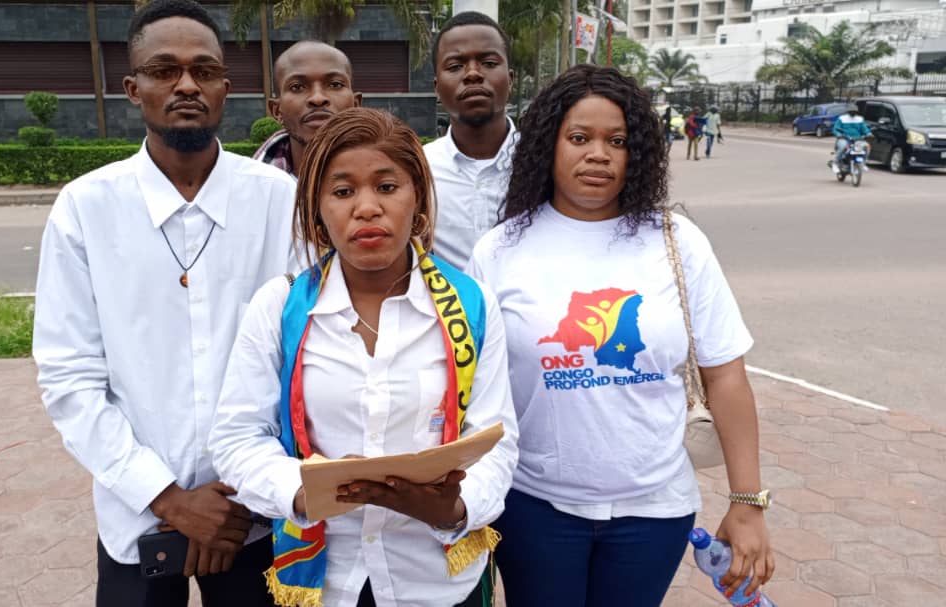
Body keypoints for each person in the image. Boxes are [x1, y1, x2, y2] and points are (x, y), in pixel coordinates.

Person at [467, 65, 774, 607]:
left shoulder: (677, 241)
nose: (599, 154)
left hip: (654, 512)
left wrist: (747, 503)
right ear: (548, 144)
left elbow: (726, 375)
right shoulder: (500, 249)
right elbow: (476, 388)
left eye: (618, 141)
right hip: (533, 507)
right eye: (579, 138)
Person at [32, 1, 296, 605]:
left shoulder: (279, 201)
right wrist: (169, 498)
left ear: (226, 88)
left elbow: (304, 351)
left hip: (254, 513)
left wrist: (238, 492)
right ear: (133, 88)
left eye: (204, 70)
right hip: (138, 516)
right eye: (163, 70)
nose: (186, 85)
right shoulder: (86, 209)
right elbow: (70, 377)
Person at [209, 107, 519, 607]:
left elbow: (496, 440)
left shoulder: (471, 305)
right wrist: (304, 492)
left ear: (418, 198)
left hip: (435, 582)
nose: (367, 208)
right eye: (343, 191)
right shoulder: (281, 306)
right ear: (317, 210)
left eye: (387, 187)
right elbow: (236, 436)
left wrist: (453, 508)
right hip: (326, 583)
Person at [424, 11, 516, 270]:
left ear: (510, 80)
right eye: (455, 66)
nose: (473, 74)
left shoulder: (546, 163)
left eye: (489, 63)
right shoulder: (418, 168)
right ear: (436, 87)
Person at [254, 40, 362, 179]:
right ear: (276, 111)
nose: (317, 98)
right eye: (297, 87)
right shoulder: (250, 188)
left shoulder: (388, 174)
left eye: (335, 84)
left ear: (356, 105)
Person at [830, 103, 871, 175]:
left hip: (857, 139)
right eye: (851, 111)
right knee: (842, 147)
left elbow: (864, 128)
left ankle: (863, 163)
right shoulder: (842, 118)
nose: (853, 113)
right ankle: (835, 163)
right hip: (844, 138)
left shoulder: (860, 119)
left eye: (854, 111)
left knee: (866, 146)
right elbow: (835, 129)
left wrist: (868, 133)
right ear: (848, 111)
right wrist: (839, 135)